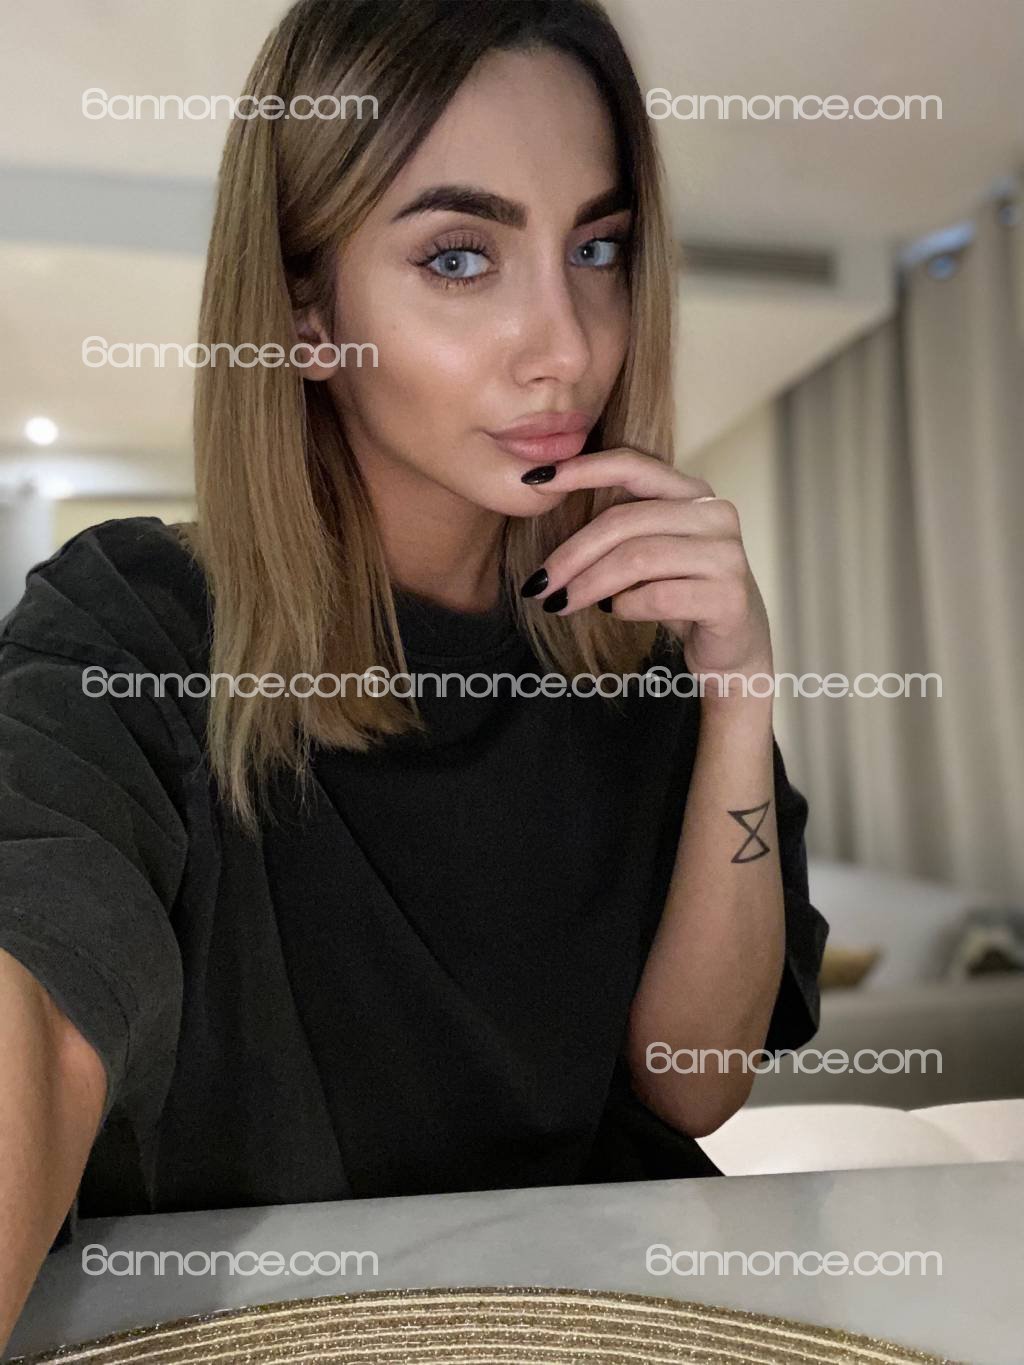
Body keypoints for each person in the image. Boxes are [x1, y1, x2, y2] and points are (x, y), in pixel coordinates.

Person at [0, 0, 828, 1345]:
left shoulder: (638, 643)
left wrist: (736, 689)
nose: (567, 345)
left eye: (597, 249)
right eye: (459, 258)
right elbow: (36, 1002)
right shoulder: (134, 629)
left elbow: (692, 1085)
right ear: (305, 310)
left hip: (605, 1317)